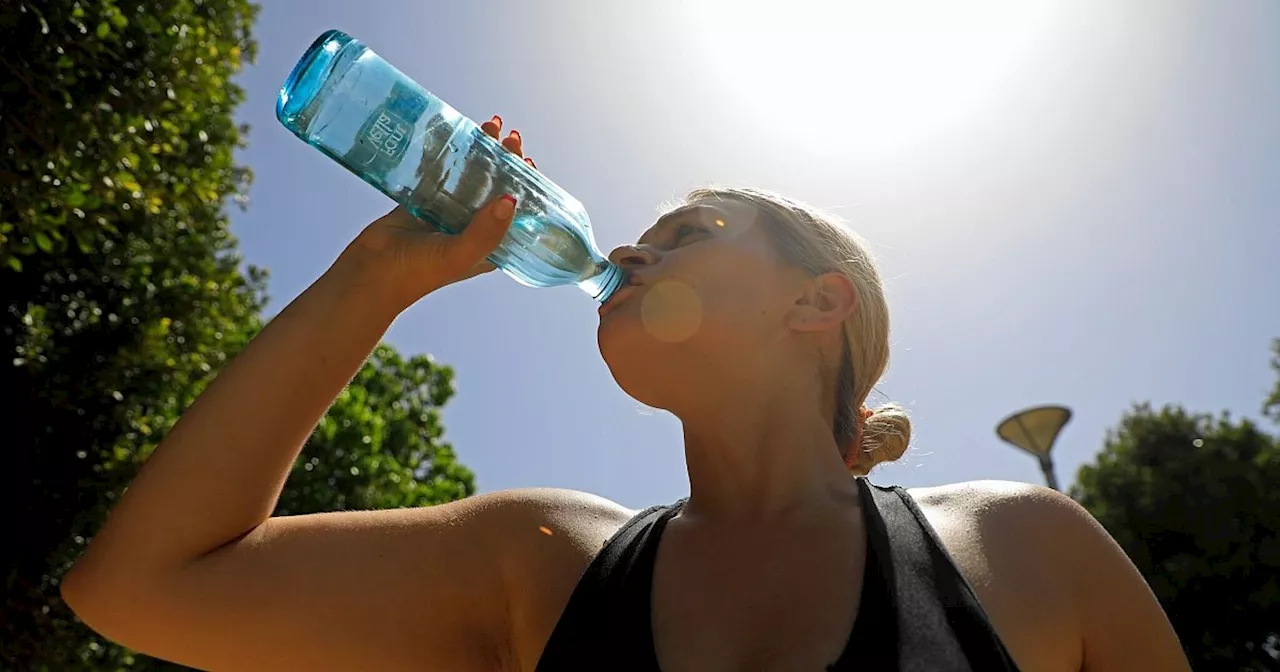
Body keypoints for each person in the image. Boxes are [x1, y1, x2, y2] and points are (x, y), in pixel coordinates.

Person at [62, 118, 1190, 672]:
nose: (631, 259)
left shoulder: (1024, 547)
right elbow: (141, 588)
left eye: (685, 235)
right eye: (637, 241)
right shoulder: (540, 559)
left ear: (816, 305)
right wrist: (378, 277)